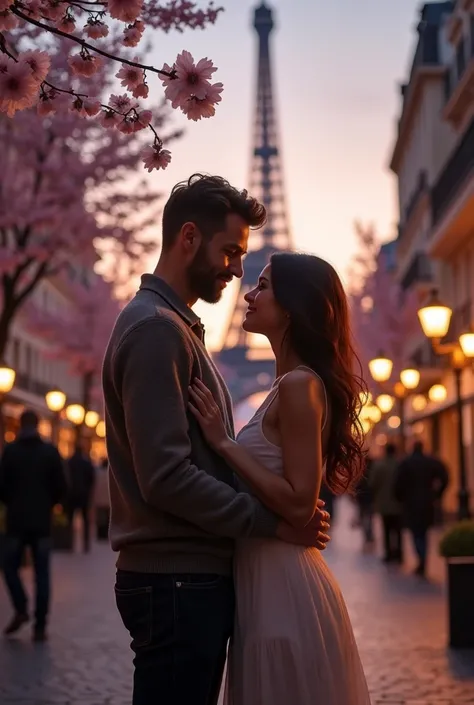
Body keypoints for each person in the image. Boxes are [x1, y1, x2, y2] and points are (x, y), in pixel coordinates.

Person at [102, 174, 331, 705]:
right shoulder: (158, 330)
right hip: (176, 578)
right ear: (188, 238)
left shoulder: (174, 326)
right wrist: (272, 524)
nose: (237, 268)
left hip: (184, 578)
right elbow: (166, 477)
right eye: (230, 251)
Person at [189, 252, 371, 704]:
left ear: (292, 306)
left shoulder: (297, 386)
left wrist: (225, 444)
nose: (248, 292)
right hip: (268, 583)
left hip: (283, 591)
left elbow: (299, 503)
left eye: (264, 286)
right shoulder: (288, 384)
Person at [0, 409, 67, 642]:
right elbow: (61, 487)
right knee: (42, 575)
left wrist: (12, 502)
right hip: (42, 523)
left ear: (20, 425)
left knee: (8, 567)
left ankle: (20, 607)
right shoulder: (50, 452)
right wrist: (48, 503)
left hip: (16, 522)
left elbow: (2, 487)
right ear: (38, 425)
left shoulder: (10, 451)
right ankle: (40, 624)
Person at [395, 440, 448, 577]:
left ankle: (421, 558)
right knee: (423, 532)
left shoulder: (406, 463)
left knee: (416, 532)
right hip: (427, 502)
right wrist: (437, 494)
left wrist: (400, 498)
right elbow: (445, 475)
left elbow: (398, 483)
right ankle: (423, 559)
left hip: (411, 503)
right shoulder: (430, 462)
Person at [369, 443, 403, 563]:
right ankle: (399, 554)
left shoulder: (379, 466)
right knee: (398, 530)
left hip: (384, 503)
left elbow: (372, 483)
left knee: (386, 529)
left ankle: (388, 553)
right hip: (399, 503)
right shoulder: (400, 464)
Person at [66, 443, 96, 552]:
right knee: (85, 520)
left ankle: (69, 543)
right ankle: (86, 544)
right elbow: (92, 478)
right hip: (84, 494)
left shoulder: (69, 462)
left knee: (70, 520)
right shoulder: (86, 463)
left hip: (71, 494)